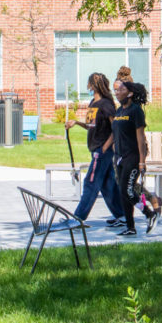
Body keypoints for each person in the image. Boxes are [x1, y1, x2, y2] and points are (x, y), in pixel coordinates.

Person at [65, 73, 125, 227]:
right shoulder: (93, 102)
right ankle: (122, 215)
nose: (88, 87)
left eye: (89, 84)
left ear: (94, 85)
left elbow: (115, 128)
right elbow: (91, 125)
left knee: (90, 182)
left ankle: (78, 218)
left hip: (102, 151)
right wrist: (76, 123)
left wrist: (105, 147)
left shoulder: (106, 104)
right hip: (95, 149)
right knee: (107, 184)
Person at [112, 80, 160, 236]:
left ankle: (149, 214)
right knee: (122, 192)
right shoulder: (119, 111)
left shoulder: (135, 111)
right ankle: (130, 227)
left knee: (127, 191)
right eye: (117, 90)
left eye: (121, 89)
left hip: (132, 157)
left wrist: (141, 161)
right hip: (119, 157)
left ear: (130, 93)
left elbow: (140, 138)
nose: (117, 92)